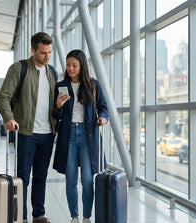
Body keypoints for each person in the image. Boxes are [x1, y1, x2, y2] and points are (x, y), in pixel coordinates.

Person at [0, 32, 58, 223]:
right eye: (42, 53)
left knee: (41, 176)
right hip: (25, 132)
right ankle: (21, 217)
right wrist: (8, 118)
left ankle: (38, 215)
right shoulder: (19, 68)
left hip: (47, 134)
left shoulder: (52, 72)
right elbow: (4, 96)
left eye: (49, 52)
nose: (47, 56)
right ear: (33, 50)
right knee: (23, 178)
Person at [53, 49, 108, 223]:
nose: (70, 68)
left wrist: (102, 118)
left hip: (88, 135)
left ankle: (87, 217)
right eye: (68, 65)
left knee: (87, 179)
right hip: (68, 135)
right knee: (71, 179)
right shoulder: (61, 86)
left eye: (74, 65)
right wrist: (58, 106)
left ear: (82, 66)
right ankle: (74, 217)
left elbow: (103, 107)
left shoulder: (93, 85)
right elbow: (56, 115)